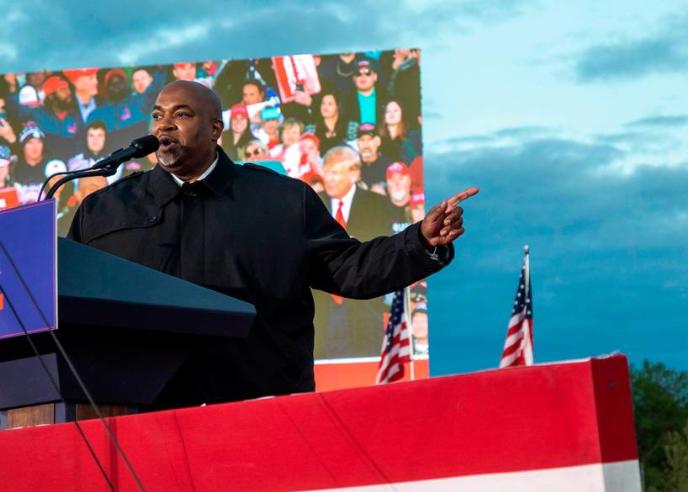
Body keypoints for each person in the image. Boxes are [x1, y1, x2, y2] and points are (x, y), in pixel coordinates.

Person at [67, 80, 477, 409]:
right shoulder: (105, 212)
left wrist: (420, 240)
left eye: (181, 115)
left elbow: (350, 270)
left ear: (215, 129)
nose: (164, 126)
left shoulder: (281, 201)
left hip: (260, 408)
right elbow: (70, 307)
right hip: (141, 413)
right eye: (158, 116)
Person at [315, 144, 405, 358]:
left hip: (363, 306)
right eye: (326, 172)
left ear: (354, 172)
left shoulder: (377, 204)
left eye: (335, 172)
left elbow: (380, 251)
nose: (329, 178)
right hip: (323, 310)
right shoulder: (313, 202)